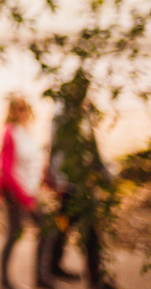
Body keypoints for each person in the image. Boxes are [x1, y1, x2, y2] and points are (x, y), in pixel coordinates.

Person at [38, 73, 116, 289]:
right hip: (70, 186)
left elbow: (92, 147)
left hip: (83, 184)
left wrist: (104, 172)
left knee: (88, 230)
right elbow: (56, 149)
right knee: (65, 228)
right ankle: (57, 268)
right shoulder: (63, 115)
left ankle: (93, 276)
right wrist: (58, 180)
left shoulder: (83, 113)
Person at [0, 95, 49, 289]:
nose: (22, 113)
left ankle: (41, 276)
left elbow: (32, 163)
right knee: (13, 235)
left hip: (30, 191)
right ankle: (4, 280)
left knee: (46, 230)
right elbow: (7, 171)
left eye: (24, 109)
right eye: (17, 109)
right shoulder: (10, 133)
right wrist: (26, 200)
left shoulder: (27, 132)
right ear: (11, 111)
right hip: (16, 194)